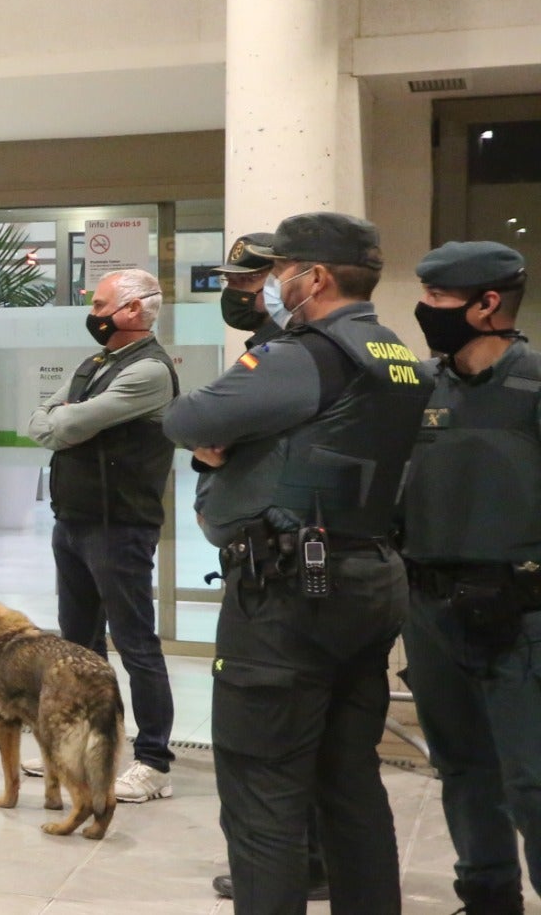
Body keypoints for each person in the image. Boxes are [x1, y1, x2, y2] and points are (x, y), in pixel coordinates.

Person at [163, 213, 432, 914]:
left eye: (280, 272)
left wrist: (226, 445)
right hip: (368, 578)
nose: (273, 286)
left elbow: (187, 420)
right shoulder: (394, 352)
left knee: (264, 795)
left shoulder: (303, 354)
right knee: (350, 785)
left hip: (289, 596)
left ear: (313, 278)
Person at [398, 242, 539, 915]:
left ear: (488, 305)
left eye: (438, 300)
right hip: (430, 608)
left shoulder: (534, 386)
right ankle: (487, 898)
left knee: (532, 780)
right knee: (460, 767)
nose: (425, 311)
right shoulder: (420, 388)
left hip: (523, 614)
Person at [207, 235, 331, 904]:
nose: (240, 294)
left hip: (289, 562)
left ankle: (297, 865)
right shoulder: (269, 345)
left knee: (276, 740)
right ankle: (305, 859)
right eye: (234, 282)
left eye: (251, 282)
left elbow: (199, 422)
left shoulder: (295, 353)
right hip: (274, 555)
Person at [26, 267, 179, 803]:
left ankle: (154, 761)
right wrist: (63, 417)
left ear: (134, 311)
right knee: (78, 649)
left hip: (119, 529)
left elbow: (64, 426)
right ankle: (82, 747)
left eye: (101, 306)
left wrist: (65, 418)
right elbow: (42, 419)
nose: (93, 316)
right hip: (73, 523)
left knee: (137, 646)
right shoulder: (95, 363)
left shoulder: (151, 371)